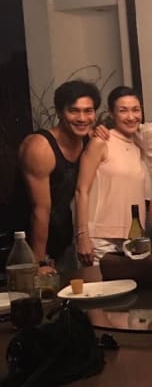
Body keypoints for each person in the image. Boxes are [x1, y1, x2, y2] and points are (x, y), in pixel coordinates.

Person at [13, 80, 99, 271]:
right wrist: (39, 262)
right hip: (26, 245)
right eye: (74, 111)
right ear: (59, 112)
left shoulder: (88, 139)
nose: (82, 118)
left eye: (88, 111)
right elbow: (40, 209)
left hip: (63, 242)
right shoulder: (39, 147)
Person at [74, 86, 145, 265]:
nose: (131, 117)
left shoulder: (138, 145)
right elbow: (81, 191)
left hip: (132, 239)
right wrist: (82, 236)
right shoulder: (100, 142)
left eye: (136, 110)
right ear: (112, 114)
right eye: (123, 110)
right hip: (100, 239)